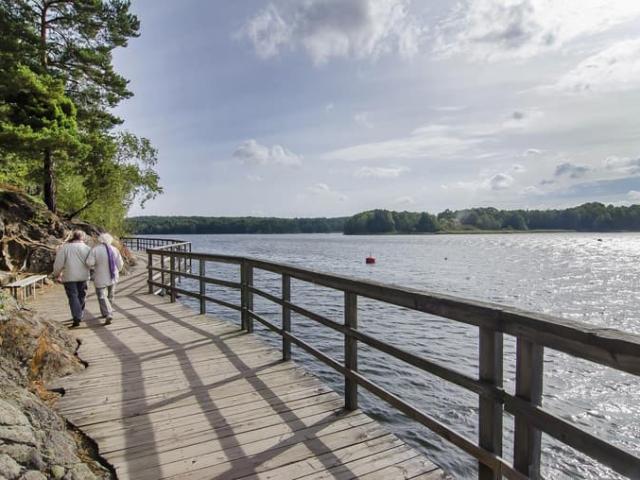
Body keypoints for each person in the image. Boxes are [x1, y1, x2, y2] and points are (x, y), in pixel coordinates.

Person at [53, 230, 91, 327]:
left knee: (73, 297)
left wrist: (57, 274)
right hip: (84, 276)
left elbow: (58, 263)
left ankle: (77, 316)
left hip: (69, 276)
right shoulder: (87, 248)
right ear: (83, 237)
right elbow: (91, 263)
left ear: (73, 237)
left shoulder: (65, 248)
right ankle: (79, 314)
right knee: (82, 296)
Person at [86, 233, 124, 325]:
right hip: (113, 276)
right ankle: (107, 313)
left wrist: (94, 266)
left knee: (102, 295)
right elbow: (120, 263)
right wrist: (117, 271)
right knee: (110, 295)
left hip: (100, 276)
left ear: (100, 240)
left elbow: (90, 263)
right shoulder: (115, 249)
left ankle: (107, 313)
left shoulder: (95, 250)